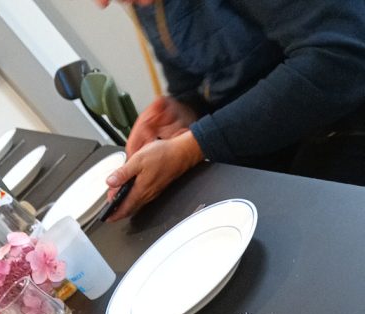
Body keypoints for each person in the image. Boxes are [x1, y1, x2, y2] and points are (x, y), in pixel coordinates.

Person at [99, 0, 365, 220]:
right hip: (280, 142)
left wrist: (193, 146)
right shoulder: (147, 5)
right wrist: (185, 111)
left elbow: (338, 58)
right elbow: (193, 82)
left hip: (343, 121)